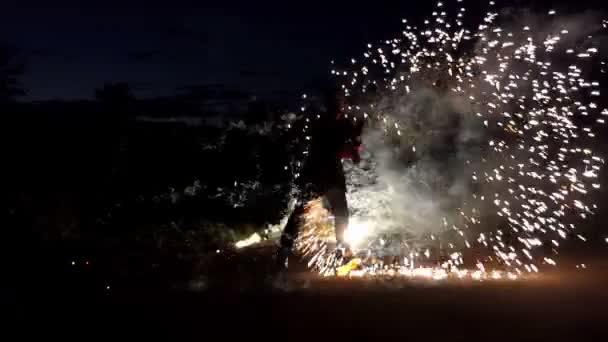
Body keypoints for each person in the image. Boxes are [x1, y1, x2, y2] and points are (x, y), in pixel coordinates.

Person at [275, 90, 363, 272]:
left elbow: (346, 152)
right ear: (337, 106)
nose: (342, 106)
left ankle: (284, 252)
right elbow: (349, 154)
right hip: (326, 174)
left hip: (314, 173)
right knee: (339, 213)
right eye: (340, 103)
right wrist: (355, 143)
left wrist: (354, 141)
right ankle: (343, 253)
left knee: (301, 212)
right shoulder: (339, 124)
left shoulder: (321, 122)